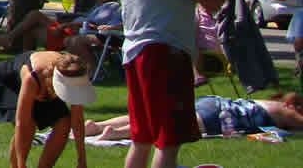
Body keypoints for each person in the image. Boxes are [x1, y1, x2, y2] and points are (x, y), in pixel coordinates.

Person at [118, 0, 248, 168]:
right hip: (164, 54)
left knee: (141, 140)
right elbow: (211, 1)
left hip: (134, 53)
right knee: (168, 143)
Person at [0, 51, 94, 168]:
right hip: (8, 81)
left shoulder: (75, 75)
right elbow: (22, 124)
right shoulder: (32, 77)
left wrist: (82, 161)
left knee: (64, 122)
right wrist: (22, 166)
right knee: (29, 126)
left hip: (45, 84)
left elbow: (77, 120)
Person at [83, 93, 303, 140]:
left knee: (153, 114)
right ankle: (117, 133)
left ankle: (97, 125)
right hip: (220, 115)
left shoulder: (265, 102)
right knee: (172, 126)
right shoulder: (288, 110)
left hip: (213, 101)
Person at [59, 0, 122, 66]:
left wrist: (70, 24)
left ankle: (92, 69)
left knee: (75, 41)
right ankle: (81, 67)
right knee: (67, 40)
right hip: (95, 33)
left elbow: (93, 22)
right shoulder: (98, 6)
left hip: (107, 36)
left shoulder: (111, 6)